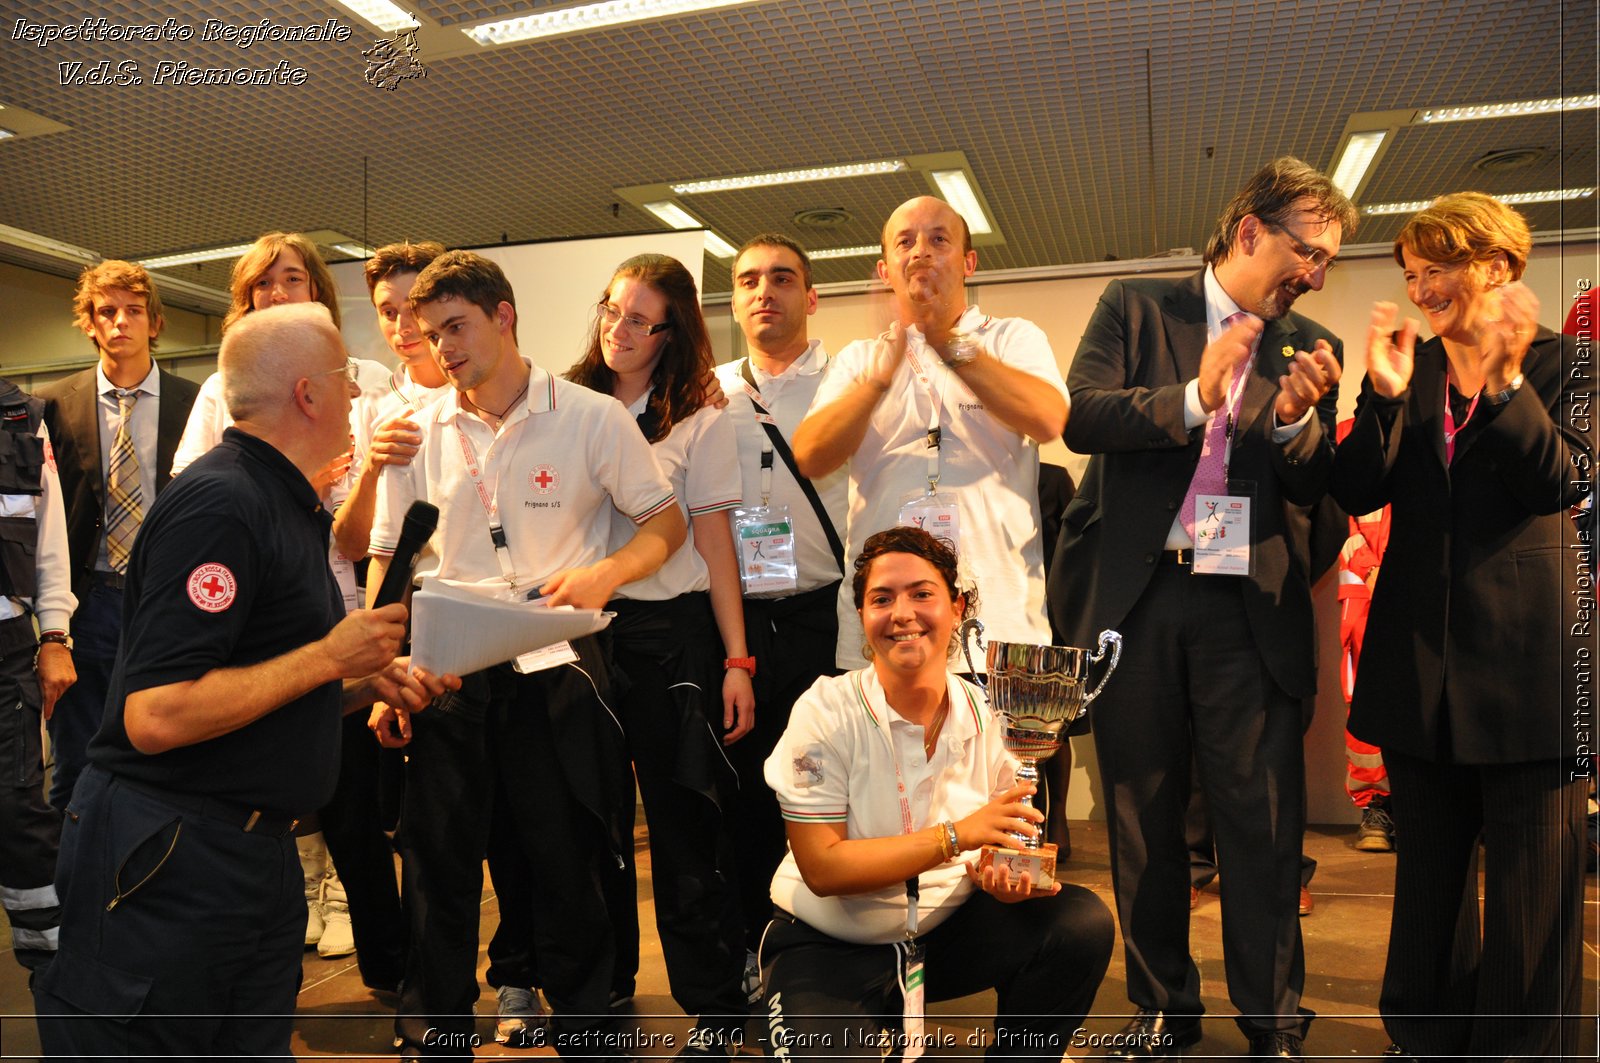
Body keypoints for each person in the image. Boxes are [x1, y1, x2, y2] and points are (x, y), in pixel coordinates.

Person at [32, 303, 453, 1059]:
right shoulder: (221, 505)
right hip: (170, 859)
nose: (358, 397)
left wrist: (363, 680)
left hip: (250, 855)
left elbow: (255, 677)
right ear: (308, 394)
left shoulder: (286, 505)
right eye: (345, 381)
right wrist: (331, 657)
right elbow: (154, 715)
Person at [1050, 156, 1353, 1060]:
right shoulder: (1138, 306)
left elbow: (1313, 492)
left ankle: (1272, 1021)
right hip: (1138, 602)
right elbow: (1081, 417)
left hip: (1246, 608)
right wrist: (1192, 396)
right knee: (1141, 819)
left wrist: (1302, 425)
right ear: (1250, 229)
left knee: (1261, 823)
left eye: (1331, 261)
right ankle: (1163, 1010)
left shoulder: (1309, 342)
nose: (1316, 274)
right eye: (1308, 250)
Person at [367, 249, 685, 1059]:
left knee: (566, 856)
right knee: (437, 867)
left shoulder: (589, 416)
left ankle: (583, 1020)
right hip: (447, 667)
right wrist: (381, 676)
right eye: (430, 333)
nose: (441, 348)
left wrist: (606, 572)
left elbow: (664, 522)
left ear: (504, 316)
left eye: (455, 327)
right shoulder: (419, 434)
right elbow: (391, 562)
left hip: (557, 661)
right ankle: (435, 1031)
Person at [1329, 192, 1593, 1059]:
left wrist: (1508, 383)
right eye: (1411, 272)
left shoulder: (1570, 363)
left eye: (1435, 265)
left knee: (1531, 897)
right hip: (1421, 672)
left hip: (1529, 673)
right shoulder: (1416, 369)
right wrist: (1378, 395)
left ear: (1494, 263)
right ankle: (1423, 1038)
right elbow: (1358, 489)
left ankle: (1519, 1050)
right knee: (1428, 888)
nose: (1420, 285)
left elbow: (1563, 481)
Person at [761, 526, 1113, 1062]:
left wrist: (1006, 879)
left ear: (958, 606)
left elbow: (1006, 845)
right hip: (830, 941)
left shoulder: (994, 711)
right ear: (862, 616)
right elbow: (823, 869)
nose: (902, 613)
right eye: (882, 598)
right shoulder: (824, 711)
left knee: (1077, 924)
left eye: (922, 593)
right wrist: (955, 837)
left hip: (944, 933)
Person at [566, 253, 752, 1053]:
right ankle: (599, 989)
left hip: (671, 633)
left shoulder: (698, 420)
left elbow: (714, 541)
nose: (620, 328)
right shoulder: (565, 406)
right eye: (612, 310)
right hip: (582, 636)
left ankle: (713, 1005)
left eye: (641, 318)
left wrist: (737, 660)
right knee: (590, 823)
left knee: (681, 829)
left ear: (673, 332)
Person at [170, 230, 368, 958]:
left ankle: (340, 890)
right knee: (270, 736)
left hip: (334, 593)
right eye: (263, 284)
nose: (278, 293)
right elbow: (197, 487)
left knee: (337, 755)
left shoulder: (361, 378)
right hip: (255, 606)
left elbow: (357, 527)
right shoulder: (226, 396)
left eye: (292, 280)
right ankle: (307, 881)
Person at [792, 195, 1068, 671]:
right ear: (884, 270)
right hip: (884, 624)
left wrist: (945, 338)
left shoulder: (1011, 338)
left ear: (968, 262)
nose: (920, 251)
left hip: (999, 626)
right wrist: (878, 381)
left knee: (996, 750)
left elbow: (1048, 419)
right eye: (905, 242)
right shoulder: (860, 360)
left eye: (938, 240)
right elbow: (812, 456)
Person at [713, 233, 847, 994]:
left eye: (784, 278)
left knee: (818, 785)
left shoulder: (846, 382)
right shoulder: (707, 390)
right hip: (733, 621)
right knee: (739, 796)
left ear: (811, 296)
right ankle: (748, 947)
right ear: (734, 299)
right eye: (749, 281)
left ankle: (818, 950)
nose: (766, 292)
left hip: (821, 618)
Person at [39, 261, 199, 812]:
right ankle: (73, 888)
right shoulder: (54, 404)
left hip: (168, 595)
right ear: (89, 322)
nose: (120, 323)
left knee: (166, 750)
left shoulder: (196, 402)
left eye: (133, 311)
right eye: (107, 311)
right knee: (78, 762)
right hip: (89, 601)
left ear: (155, 322)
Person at [0, 373, 75, 978]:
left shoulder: (22, 420)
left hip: (8, 646)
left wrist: (54, 636)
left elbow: (50, 543)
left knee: (19, 808)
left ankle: (52, 970)